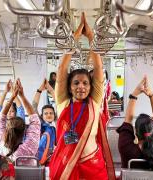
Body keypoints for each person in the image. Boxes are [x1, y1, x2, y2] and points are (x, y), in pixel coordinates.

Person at [49, 13, 115, 180]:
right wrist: (75, 37)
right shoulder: (63, 103)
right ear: (69, 88)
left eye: (85, 83)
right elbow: (62, 70)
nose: (81, 86)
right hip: (65, 165)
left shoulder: (94, 102)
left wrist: (91, 36)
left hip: (93, 165)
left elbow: (98, 68)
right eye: (76, 83)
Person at [117, 76, 153, 170]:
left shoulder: (126, 148)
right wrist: (151, 95)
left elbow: (128, 120)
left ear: (135, 133)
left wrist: (135, 93)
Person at [0, 79, 40, 165]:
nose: (9, 113)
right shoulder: (28, 148)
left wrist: (11, 96)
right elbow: (35, 120)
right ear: (24, 132)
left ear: (6, 130)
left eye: (12, 111)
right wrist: (21, 95)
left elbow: (0, 117)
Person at [32, 79, 57, 165]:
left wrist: (50, 90)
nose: (49, 115)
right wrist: (39, 90)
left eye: (51, 113)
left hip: (54, 159)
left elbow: (58, 103)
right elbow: (34, 107)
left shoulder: (57, 123)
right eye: (46, 113)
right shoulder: (40, 124)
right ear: (42, 116)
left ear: (54, 115)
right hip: (40, 160)